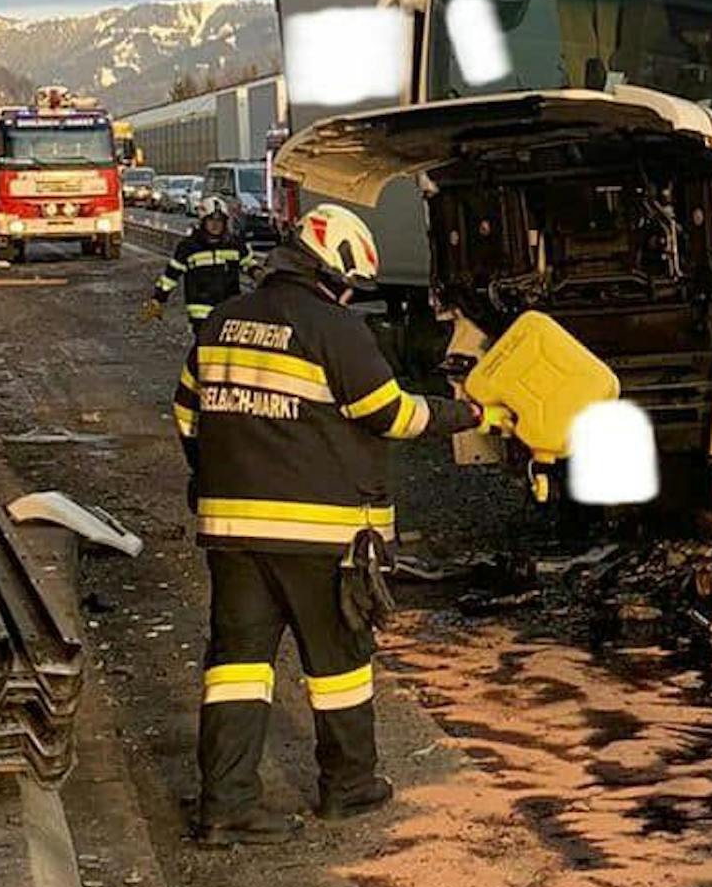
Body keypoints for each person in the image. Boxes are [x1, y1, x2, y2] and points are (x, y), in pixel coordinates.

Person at [172, 203, 511, 845]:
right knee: (338, 665)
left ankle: (226, 805)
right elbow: (390, 414)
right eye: (351, 285)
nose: (352, 295)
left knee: (236, 667)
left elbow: (188, 417)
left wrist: (213, 476)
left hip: (232, 531)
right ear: (334, 273)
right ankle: (349, 786)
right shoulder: (334, 327)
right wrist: (464, 416)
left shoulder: (221, 321)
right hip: (317, 533)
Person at [141, 195, 257, 331]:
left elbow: (248, 263)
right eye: (211, 220)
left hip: (229, 310)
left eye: (219, 221)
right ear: (203, 222)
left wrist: (261, 275)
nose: (215, 225)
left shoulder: (234, 244)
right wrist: (158, 298)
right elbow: (170, 277)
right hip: (201, 314)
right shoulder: (189, 247)